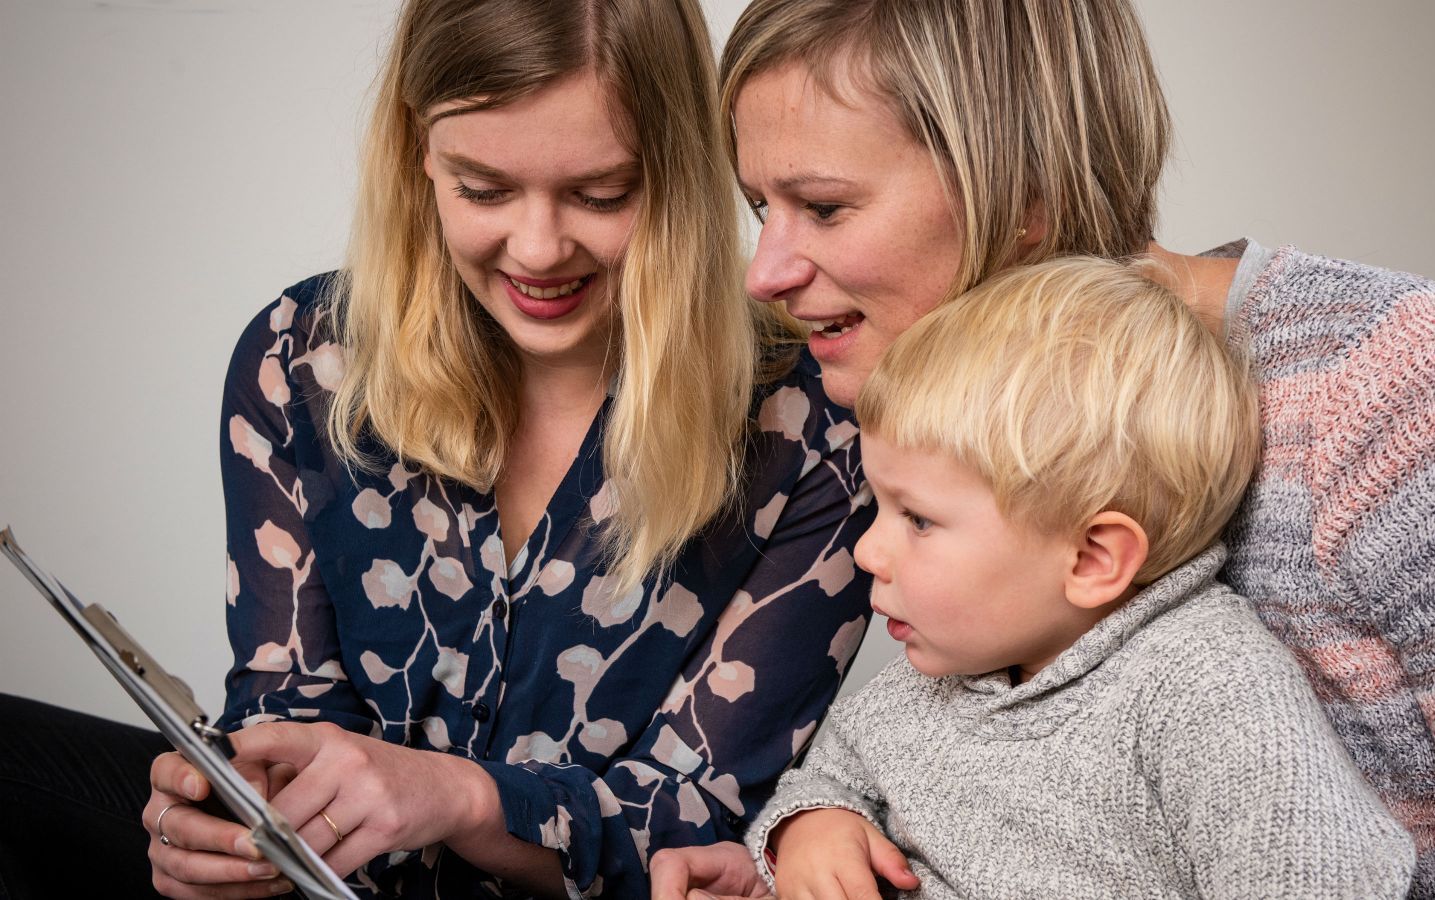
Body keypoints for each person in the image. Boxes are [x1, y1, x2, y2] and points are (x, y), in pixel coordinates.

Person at [650, 0, 1435, 896]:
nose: (767, 272)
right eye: (758, 207)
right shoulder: (922, 416)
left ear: (1025, 194)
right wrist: (800, 848)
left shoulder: (1403, 392)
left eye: (822, 207)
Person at [0, 1, 873, 898]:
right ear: (417, 151)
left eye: (601, 194)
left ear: (683, 171)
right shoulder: (300, 357)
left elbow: (696, 826)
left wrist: (461, 797)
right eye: (483, 189)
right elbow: (285, 707)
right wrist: (225, 819)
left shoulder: (815, 424)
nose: (538, 249)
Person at [750, 257, 1417, 898]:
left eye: (917, 520)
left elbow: (1320, 880)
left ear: (1094, 558)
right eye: (880, 508)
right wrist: (812, 825)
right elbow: (827, 777)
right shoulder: (927, 677)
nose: (868, 552)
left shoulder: (1209, 689)